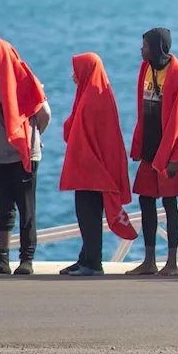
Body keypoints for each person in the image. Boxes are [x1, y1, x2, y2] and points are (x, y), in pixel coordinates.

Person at [0, 36, 50, 275]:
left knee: (27, 210)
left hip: (24, 154)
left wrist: (32, 139)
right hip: (0, 154)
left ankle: (27, 260)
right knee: (3, 209)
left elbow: (44, 113)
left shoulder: (25, 80)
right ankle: (2, 260)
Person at [128, 27, 178, 277]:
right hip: (150, 150)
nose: (142, 49)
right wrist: (138, 145)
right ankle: (149, 260)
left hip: (170, 152)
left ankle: (172, 263)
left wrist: (177, 157)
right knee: (145, 200)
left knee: (170, 204)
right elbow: (141, 111)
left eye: (146, 45)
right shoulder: (145, 69)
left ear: (158, 47)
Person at [59, 53, 138, 276]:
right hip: (88, 169)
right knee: (85, 214)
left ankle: (93, 263)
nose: (73, 75)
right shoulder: (91, 92)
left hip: (92, 171)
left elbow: (90, 136)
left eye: (77, 70)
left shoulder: (94, 98)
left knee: (89, 215)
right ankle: (85, 258)